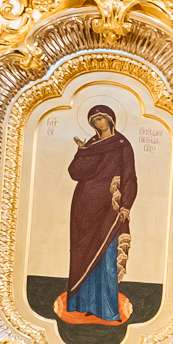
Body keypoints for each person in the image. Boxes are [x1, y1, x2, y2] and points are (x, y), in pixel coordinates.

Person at [60, 106, 137, 326]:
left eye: (101, 118)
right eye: (94, 119)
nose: (98, 122)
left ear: (111, 119)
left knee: (107, 255)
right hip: (83, 205)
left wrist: (126, 205)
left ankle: (108, 309)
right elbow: (76, 173)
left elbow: (130, 176)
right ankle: (81, 304)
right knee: (81, 253)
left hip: (108, 206)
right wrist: (82, 152)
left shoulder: (122, 145)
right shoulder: (90, 145)